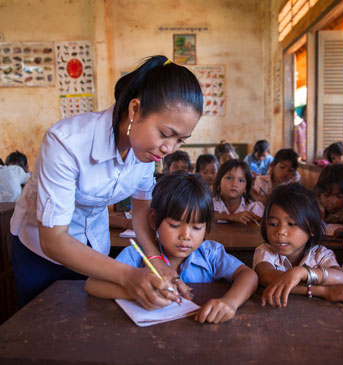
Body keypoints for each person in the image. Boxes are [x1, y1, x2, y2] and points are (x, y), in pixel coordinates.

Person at [10, 55, 203, 308]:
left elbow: (141, 209)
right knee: (46, 328)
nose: (169, 148)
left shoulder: (147, 152)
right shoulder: (66, 142)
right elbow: (53, 239)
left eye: (181, 140)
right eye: (166, 134)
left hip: (95, 250)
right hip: (41, 255)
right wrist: (129, 275)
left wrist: (156, 260)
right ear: (135, 109)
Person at [85, 173, 258, 323]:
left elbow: (248, 275)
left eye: (197, 227)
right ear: (153, 220)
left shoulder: (210, 253)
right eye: (175, 225)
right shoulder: (138, 254)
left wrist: (230, 302)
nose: (186, 236)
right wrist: (137, 291)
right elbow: (93, 284)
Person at [253, 183, 343, 308]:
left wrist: (302, 273)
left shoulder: (320, 254)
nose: (280, 231)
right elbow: (267, 277)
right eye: (273, 224)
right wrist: (323, 291)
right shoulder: (266, 250)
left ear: (312, 229)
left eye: (292, 224)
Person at [212, 160, 263, 224]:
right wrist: (231, 217)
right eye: (229, 178)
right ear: (219, 182)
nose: (234, 184)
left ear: (246, 188)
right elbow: (203, 216)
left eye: (241, 180)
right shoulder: (210, 205)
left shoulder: (253, 208)